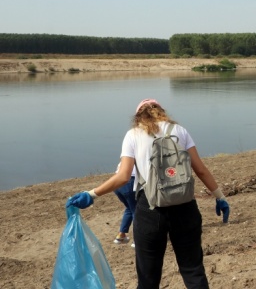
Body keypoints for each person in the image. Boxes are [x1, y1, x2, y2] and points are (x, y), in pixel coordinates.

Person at [66, 99, 230, 288]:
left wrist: (92, 194)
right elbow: (200, 170)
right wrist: (220, 197)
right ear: (161, 111)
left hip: (151, 209)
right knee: (193, 270)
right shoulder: (180, 131)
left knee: (148, 279)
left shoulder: (133, 135)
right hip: (185, 207)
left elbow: (123, 177)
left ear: (138, 117)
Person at [113, 163, 137, 248]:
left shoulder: (128, 153)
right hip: (128, 182)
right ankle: (137, 240)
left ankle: (121, 235)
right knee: (136, 211)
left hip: (116, 182)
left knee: (129, 208)